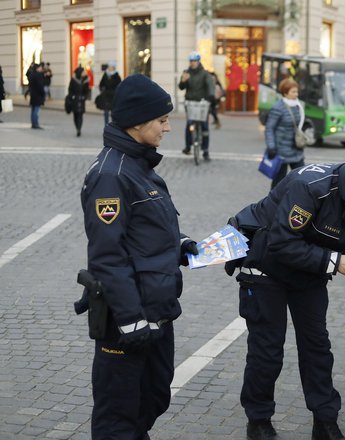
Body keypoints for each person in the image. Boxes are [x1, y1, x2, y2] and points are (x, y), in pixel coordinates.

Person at [230, 153, 345, 440]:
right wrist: (336, 262)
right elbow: (281, 242)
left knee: (317, 348)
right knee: (267, 350)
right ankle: (259, 421)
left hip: (307, 272)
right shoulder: (311, 186)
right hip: (265, 265)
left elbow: (343, 236)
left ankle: (325, 421)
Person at [80, 74, 199, 439]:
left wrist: (180, 244)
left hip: (158, 311)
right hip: (128, 321)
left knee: (153, 398)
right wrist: (132, 322)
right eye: (162, 120)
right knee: (118, 416)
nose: (168, 127)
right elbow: (108, 258)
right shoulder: (110, 176)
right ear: (136, 122)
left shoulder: (138, 165)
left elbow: (145, 231)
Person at [265, 78, 306, 188]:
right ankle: (273, 203)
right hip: (281, 151)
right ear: (285, 92)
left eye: (297, 91)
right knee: (279, 181)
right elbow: (269, 128)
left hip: (296, 149)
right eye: (293, 92)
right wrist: (271, 147)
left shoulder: (298, 106)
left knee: (302, 177)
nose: (296, 94)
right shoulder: (278, 107)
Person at [179, 51, 215, 160]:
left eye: (195, 61)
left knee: (204, 126)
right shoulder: (187, 72)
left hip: (202, 103)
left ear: (199, 61)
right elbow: (181, 87)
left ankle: (205, 151)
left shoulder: (204, 73)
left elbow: (210, 84)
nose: (193, 63)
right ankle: (188, 146)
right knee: (189, 124)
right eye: (191, 61)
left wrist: (211, 95)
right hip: (190, 102)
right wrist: (183, 81)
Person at [97, 61, 122, 125]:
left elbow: (120, 85)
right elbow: (101, 84)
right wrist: (102, 90)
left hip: (113, 96)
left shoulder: (117, 75)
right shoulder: (105, 75)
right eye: (109, 66)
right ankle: (106, 125)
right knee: (106, 111)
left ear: (113, 67)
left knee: (113, 111)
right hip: (106, 95)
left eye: (110, 66)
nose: (109, 67)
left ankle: (114, 125)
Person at [67, 66, 90, 137]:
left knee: (80, 114)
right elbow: (70, 89)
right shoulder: (73, 80)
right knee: (75, 115)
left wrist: (85, 97)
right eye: (83, 72)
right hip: (75, 100)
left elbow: (87, 90)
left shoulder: (86, 80)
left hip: (81, 100)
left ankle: (79, 129)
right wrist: (72, 96)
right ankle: (77, 127)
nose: (84, 73)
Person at [28, 62, 46, 129]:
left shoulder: (31, 75)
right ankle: (35, 124)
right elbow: (40, 86)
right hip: (38, 95)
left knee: (33, 109)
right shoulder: (38, 75)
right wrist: (43, 93)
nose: (41, 68)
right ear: (37, 68)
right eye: (40, 67)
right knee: (36, 110)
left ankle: (33, 123)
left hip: (33, 94)